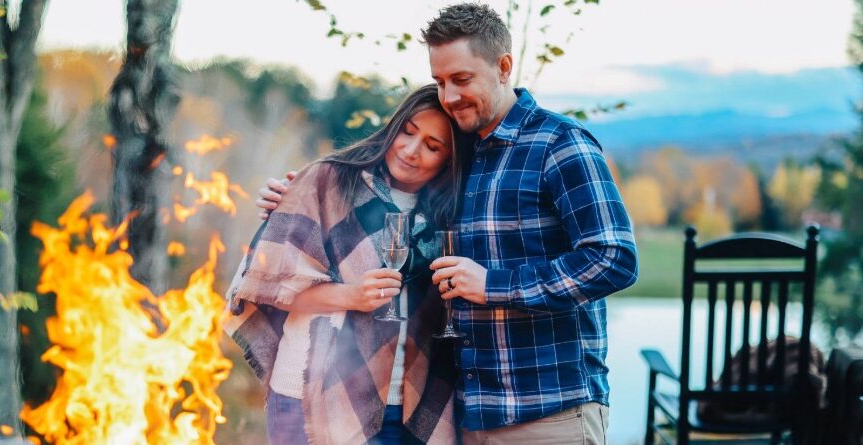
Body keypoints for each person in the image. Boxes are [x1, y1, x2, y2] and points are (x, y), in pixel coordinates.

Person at [257, 4, 639, 443]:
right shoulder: (464, 155)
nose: (449, 95)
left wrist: (493, 285)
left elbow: (614, 259)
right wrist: (300, 197)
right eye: (440, 81)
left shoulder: (559, 143)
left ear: (503, 67)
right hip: (468, 415)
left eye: (462, 79)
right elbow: (386, 198)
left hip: (547, 411)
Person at [226, 84, 470, 445]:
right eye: (408, 132)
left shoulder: (450, 214)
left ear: (450, 159)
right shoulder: (328, 181)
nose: (411, 151)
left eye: (433, 147)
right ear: (394, 126)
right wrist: (350, 296)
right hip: (312, 398)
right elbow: (267, 287)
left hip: (410, 408)